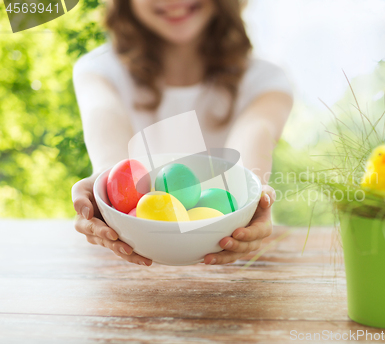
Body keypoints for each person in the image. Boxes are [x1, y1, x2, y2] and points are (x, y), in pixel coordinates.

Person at [71, 0, 293, 266]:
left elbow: (254, 136)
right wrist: (106, 184)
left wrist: (251, 198)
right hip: (126, 261)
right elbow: (105, 120)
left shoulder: (267, 80)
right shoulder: (98, 71)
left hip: (238, 261)